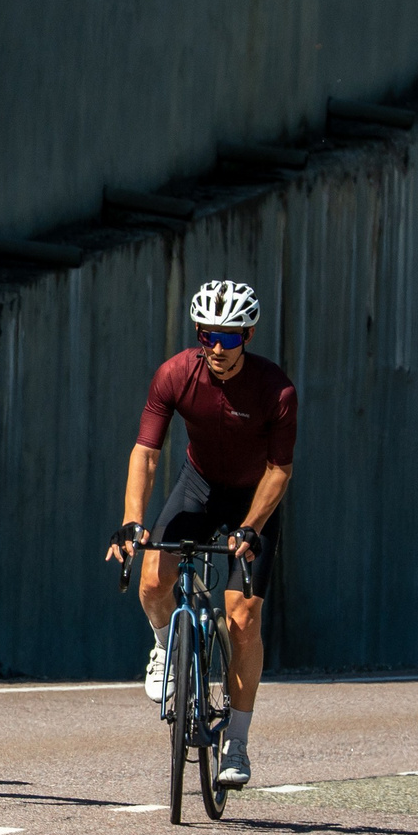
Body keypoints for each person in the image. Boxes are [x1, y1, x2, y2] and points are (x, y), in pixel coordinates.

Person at [104, 279, 295, 787]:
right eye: (208, 335)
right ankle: (165, 649)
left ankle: (237, 743)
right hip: (200, 486)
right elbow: (147, 452)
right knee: (151, 580)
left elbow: (279, 471)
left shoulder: (275, 389)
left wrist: (251, 527)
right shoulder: (175, 374)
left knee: (242, 617)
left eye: (229, 337)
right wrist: (132, 520)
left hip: (255, 498)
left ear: (247, 336)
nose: (217, 348)